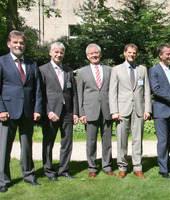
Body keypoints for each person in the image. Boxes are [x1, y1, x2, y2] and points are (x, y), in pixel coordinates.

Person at [0, 30, 43, 193]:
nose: (19, 45)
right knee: (4, 147)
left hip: (27, 111)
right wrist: (1, 109)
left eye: (22, 43)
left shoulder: (32, 64)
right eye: (16, 42)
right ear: (9, 44)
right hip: (7, 112)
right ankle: (3, 180)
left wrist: (37, 109)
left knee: (27, 145)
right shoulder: (2, 62)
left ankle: (29, 175)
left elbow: (37, 89)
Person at [109, 43, 151, 179]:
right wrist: (114, 111)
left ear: (136, 54)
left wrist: (147, 109)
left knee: (137, 140)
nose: (132, 55)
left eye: (134, 53)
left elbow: (147, 91)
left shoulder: (142, 69)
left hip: (139, 109)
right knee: (122, 140)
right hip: (122, 110)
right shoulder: (116, 69)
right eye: (129, 52)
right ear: (124, 53)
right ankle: (122, 167)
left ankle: (137, 167)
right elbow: (112, 92)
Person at [39, 42, 78, 181]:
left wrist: (75, 112)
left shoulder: (68, 70)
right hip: (51, 113)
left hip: (67, 112)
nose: (59, 54)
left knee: (67, 142)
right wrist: (48, 111)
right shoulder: (42, 70)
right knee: (48, 143)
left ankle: (64, 170)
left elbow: (73, 93)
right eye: (56, 52)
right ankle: (49, 171)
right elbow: (40, 94)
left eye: (61, 52)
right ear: (50, 53)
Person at [77, 43, 115, 178]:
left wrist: (114, 110)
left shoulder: (110, 70)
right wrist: (81, 113)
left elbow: (113, 91)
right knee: (91, 141)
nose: (94, 55)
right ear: (87, 56)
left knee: (107, 141)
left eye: (96, 53)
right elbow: (79, 93)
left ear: (100, 54)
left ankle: (107, 166)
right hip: (90, 111)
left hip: (107, 110)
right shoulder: (81, 72)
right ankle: (92, 167)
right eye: (91, 53)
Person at [149, 44, 170, 178]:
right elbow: (156, 90)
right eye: (167, 54)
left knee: (169, 140)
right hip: (160, 111)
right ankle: (163, 169)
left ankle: (166, 164)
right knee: (162, 140)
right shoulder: (154, 70)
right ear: (160, 55)